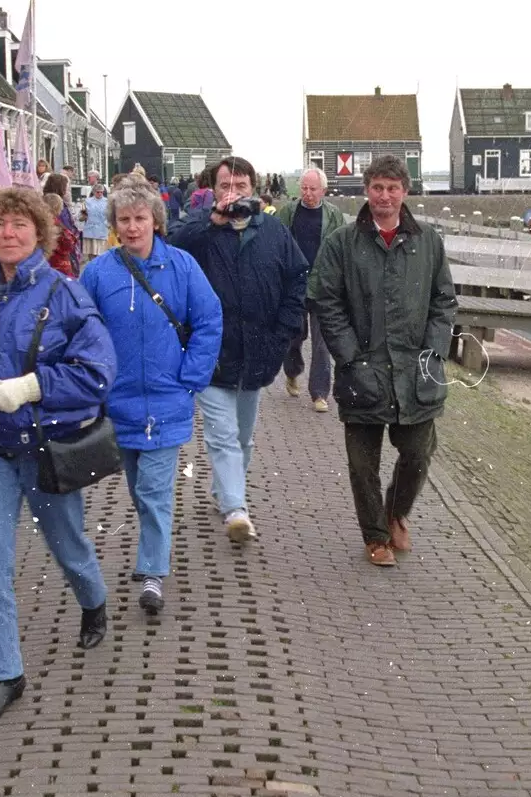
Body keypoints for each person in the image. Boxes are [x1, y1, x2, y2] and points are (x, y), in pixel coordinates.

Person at [0, 187, 117, 724]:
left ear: (39, 232)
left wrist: (32, 387)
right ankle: (7, 674)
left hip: (45, 451)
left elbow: (97, 372)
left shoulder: (66, 295)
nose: (8, 234)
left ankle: (93, 601)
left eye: (19, 224)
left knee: (69, 547)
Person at [79, 177, 221, 614]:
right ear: (114, 224)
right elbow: (80, 329)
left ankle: (153, 571)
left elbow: (209, 321)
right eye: (124, 219)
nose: (133, 227)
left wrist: (190, 378)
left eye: (140, 218)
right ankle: (151, 552)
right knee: (139, 488)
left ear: (155, 221)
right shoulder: (98, 273)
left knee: (157, 490)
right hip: (118, 404)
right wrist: (92, 381)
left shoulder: (182, 267)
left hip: (166, 400)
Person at [310, 154, 457, 568]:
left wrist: (432, 351)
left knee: (418, 452)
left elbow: (443, 300)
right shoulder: (342, 242)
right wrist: (350, 354)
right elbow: (326, 299)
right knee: (362, 464)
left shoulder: (427, 241)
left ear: (405, 192)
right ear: (366, 190)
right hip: (363, 368)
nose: (385, 196)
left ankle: (395, 511)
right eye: (377, 188)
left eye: (393, 188)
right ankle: (376, 536)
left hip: (416, 371)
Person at [168, 155, 308, 543]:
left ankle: (226, 491)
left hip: (258, 352)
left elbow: (297, 281)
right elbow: (169, 246)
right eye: (225, 185)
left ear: (254, 188)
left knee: (243, 436)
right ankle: (235, 508)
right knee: (222, 434)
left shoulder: (275, 233)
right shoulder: (201, 230)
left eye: (240, 185)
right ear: (213, 190)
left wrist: (282, 334)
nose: (234, 192)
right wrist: (209, 220)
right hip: (209, 352)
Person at [276, 167, 345, 412]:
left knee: (322, 343)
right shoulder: (288, 213)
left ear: (323, 190)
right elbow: (277, 244)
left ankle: (319, 393)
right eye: (304, 188)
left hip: (323, 287)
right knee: (294, 336)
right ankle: (292, 371)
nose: (307, 193)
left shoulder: (334, 216)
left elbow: (342, 251)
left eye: (312, 189)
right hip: (295, 285)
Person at [43, 172, 84, 274]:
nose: (67, 189)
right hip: (59, 252)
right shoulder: (56, 202)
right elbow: (65, 228)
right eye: (65, 186)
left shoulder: (44, 200)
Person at [80, 184, 109, 259]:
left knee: (102, 254)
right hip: (90, 230)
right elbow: (81, 217)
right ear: (93, 192)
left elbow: (110, 216)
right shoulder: (87, 201)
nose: (99, 194)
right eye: (97, 192)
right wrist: (83, 215)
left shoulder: (107, 202)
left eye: (101, 192)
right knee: (91, 254)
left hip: (102, 230)